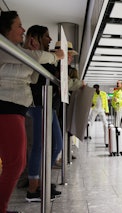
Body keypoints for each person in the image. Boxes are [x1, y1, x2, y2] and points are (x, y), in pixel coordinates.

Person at [0, 11, 64, 213]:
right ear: (6, 29)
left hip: (15, 109)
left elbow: (33, 77)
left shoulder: (15, 51)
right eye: (19, 25)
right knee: (16, 162)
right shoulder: (2, 45)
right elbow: (33, 59)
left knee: (16, 162)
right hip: (6, 107)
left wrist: (32, 54)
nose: (23, 29)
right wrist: (55, 56)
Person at [25, 25, 64, 202]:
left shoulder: (44, 57)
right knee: (40, 146)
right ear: (36, 37)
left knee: (57, 144)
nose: (49, 39)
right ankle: (34, 188)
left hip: (48, 105)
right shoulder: (32, 55)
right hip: (38, 104)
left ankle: (41, 181)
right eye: (46, 36)